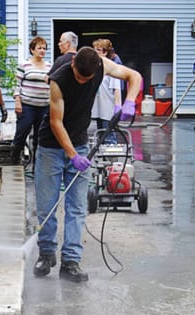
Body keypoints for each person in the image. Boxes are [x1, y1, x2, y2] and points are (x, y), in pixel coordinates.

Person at [33, 47, 142, 282]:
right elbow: (56, 123)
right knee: (47, 206)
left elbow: (135, 76)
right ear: (73, 65)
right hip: (51, 148)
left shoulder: (101, 65)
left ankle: (71, 261)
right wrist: (72, 155)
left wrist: (129, 102)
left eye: (87, 79)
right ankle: (46, 253)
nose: (83, 82)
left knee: (77, 207)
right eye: (80, 77)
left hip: (81, 143)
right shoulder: (58, 81)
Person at [11, 36, 51, 164]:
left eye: (44, 48)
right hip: (27, 106)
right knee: (22, 133)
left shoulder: (49, 66)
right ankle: (14, 161)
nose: (42, 51)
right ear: (32, 50)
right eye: (39, 48)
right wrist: (17, 101)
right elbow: (16, 84)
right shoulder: (24, 65)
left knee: (40, 138)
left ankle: (37, 166)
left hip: (44, 106)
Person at [91, 38, 122, 144]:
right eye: (94, 49)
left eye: (98, 50)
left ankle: (112, 160)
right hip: (99, 109)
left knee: (109, 138)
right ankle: (103, 160)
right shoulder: (96, 67)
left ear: (105, 52)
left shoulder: (112, 67)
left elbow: (117, 90)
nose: (95, 52)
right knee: (101, 138)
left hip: (108, 110)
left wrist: (118, 109)